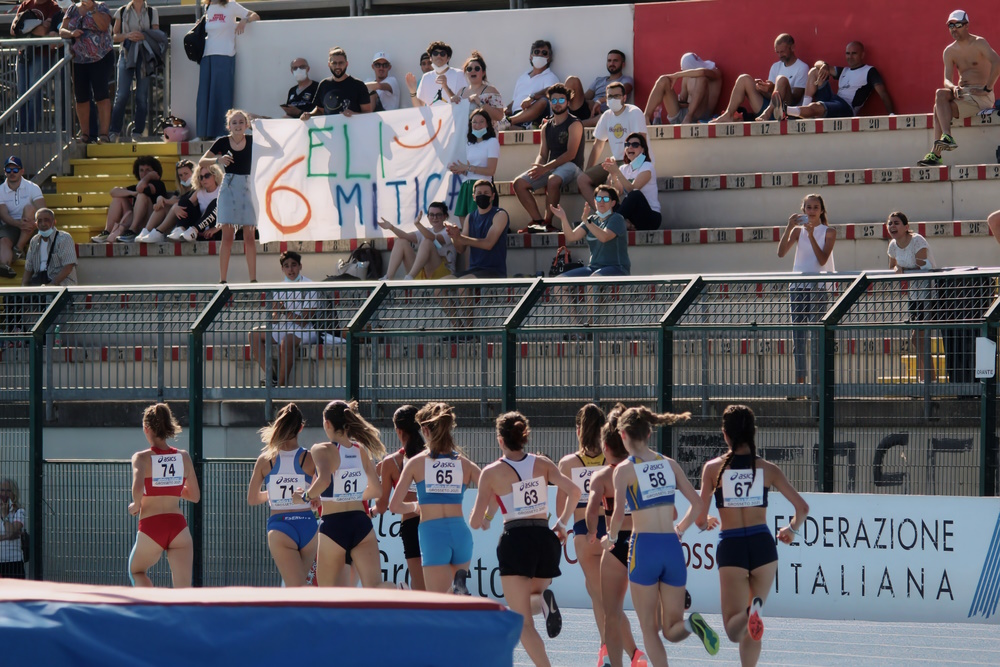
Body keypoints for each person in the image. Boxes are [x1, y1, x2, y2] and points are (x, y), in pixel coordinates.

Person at [604, 407, 720, 666]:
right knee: (672, 628)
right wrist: (679, 529)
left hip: (644, 547)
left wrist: (610, 539)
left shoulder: (623, 470)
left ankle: (688, 627)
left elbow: (618, 514)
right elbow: (699, 505)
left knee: (649, 630)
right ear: (649, 432)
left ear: (622, 435)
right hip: (671, 547)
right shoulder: (669, 465)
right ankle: (691, 624)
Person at [696, 404, 810, 667]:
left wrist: (706, 522)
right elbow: (802, 508)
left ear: (725, 434)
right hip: (763, 547)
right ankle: (753, 612)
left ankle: (750, 612)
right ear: (753, 433)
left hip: (733, 546)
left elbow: (700, 518)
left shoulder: (713, 469)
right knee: (752, 626)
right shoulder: (768, 469)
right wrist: (791, 530)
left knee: (734, 628)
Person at [470, 411, 581, 667]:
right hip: (545, 538)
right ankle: (543, 599)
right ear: (524, 437)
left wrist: (485, 518)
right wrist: (562, 523)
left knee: (521, 621)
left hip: (516, 540)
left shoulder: (491, 472)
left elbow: (476, 521)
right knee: (530, 600)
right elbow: (575, 491)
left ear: (500, 440)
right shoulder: (542, 463)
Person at [390, 402, 480, 594]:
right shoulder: (464, 463)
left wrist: (415, 507)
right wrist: (484, 514)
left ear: (424, 430)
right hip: (461, 532)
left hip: (433, 534)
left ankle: (453, 591)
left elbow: (394, 506)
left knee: (437, 603)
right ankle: (456, 589)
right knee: (453, 602)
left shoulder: (416, 463)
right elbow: (491, 486)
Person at [293, 400, 385, 588]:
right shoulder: (361, 451)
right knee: (376, 588)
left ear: (327, 423)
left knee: (328, 594)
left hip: (334, 526)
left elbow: (324, 481)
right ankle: (399, 596)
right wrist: (351, 496)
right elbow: (377, 491)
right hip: (361, 523)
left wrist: (306, 496)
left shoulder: (322, 448)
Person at [585, 404, 646, 667]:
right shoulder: (642, 469)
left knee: (612, 612)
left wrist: (591, 532)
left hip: (617, 542)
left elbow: (591, 512)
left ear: (606, 447)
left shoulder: (602, 476)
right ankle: (682, 620)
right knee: (652, 613)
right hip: (644, 539)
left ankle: (614, 661)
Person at [555, 404, 610, 662]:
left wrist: (561, 530)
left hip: (582, 530)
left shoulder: (567, 463)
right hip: (609, 528)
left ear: (579, 430)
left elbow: (559, 507)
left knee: (600, 594)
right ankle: (605, 646)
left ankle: (610, 647)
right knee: (596, 590)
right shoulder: (612, 460)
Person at [128, 403, 201, 587]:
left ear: (146, 429)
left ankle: (153, 608)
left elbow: (137, 488)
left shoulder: (142, 457)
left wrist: (135, 505)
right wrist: (171, 487)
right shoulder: (183, 457)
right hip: (178, 527)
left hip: (152, 526)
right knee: (183, 589)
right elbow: (194, 496)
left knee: (136, 571)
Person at [246, 403, 318, 586]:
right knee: (301, 586)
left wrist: (273, 494)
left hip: (281, 527)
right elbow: (321, 491)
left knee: (295, 588)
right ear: (301, 428)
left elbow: (252, 499)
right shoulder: (310, 458)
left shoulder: (265, 460)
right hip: (308, 526)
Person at [918, 11, 1000, 166]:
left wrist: (988, 88)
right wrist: (953, 87)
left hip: (980, 96)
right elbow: (947, 80)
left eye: (957, 24)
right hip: (963, 93)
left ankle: (936, 154)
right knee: (940, 94)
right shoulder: (949, 51)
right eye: (950, 25)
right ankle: (947, 137)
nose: (953, 28)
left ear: (966, 25)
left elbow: (997, 63)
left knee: (938, 108)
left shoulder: (979, 43)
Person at [777, 194, 836, 389]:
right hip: (798, 287)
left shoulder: (829, 231)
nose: (811, 211)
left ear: (821, 210)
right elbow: (781, 252)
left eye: (815, 207)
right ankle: (800, 384)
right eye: (808, 207)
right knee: (799, 337)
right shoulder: (797, 231)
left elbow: (822, 260)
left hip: (819, 287)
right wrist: (789, 227)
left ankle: (817, 384)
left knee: (817, 337)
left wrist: (811, 235)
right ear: (803, 210)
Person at [512, 84, 584, 233]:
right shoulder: (546, 126)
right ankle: (537, 221)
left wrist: (545, 168)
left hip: (572, 166)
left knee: (553, 180)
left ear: (568, 102)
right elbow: (543, 154)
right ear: (550, 102)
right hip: (552, 166)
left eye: (561, 100)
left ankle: (548, 222)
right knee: (519, 183)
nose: (557, 103)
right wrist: (537, 167)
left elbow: (571, 154)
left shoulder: (574, 123)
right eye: (554, 100)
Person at [373, 405, 427, 591]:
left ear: (398, 430)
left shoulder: (391, 462)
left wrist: (370, 511)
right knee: (438, 581)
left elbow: (381, 506)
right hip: (434, 520)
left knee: (418, 582)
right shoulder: (432, 455)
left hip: (410, 523)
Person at [200, 108, 257, 283]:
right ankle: (222, 280)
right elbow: (202, 161)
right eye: (234, 122)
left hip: (249, 187)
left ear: (247, 125)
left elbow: (276, 148)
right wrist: (219, 160)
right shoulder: (222, 142)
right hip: (229, 186)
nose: (238, 125)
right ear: (229, 126)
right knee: (227, 236)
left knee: (249, 236)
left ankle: (253, 280)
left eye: (241, 122)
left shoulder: (254, 140)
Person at [774, 42, 894, 120]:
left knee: (816, 107)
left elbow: (883, 93)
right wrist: (825, 65)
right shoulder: (844, 71)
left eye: (854, 53)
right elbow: (818, 64)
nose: (850, 57)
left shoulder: (869, 71)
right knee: (815, 71)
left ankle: (785, 110)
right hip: (834, 99)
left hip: (846, 107)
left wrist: (891, 114)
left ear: (862, 55)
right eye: (847, 53)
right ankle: (804, 110)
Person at [248, 251, 318, 387]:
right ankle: (271, 377)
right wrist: (276, 312)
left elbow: (304, 322)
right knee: (254, 334)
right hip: (284, 328)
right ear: (282, 269)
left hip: (305, 331)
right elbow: (275, 320)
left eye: (293, 265)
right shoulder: (278, 287)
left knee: (286, 341)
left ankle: (280, 386)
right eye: (286, 266)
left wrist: (284, 311)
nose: (290, 269)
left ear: (300, 266)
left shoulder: (310, 286)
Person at [886, 211, 937, 385]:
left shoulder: (917, 240)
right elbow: (892, 266)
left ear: (906, 227)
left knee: (919, 336)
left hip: (929, 291)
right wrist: (896, 269)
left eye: (897, 223)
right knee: (918, 337)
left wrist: (902, 269)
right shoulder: (892, 245)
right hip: (914, 294)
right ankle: (927, 379)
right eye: (890, 223)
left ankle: (928, 379)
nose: (892, 226)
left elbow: (921, 263)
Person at [196, 0, 259, 140]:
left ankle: (221, 133)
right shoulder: (207, 7)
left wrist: (244, 20)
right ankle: (203, 134)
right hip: (207, 56)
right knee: (204, 97)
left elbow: (255, 15)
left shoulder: (231, 5)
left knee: (222, 94)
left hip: (225, 54)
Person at [711, 33, 808, 123]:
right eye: (777, 52)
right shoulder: (775, 66)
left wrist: (774, 88)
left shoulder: (802, 67)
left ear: (792, 48)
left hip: (787, 111)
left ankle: (768, 112)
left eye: (782, 52)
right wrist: (762, 89)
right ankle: (728, 114)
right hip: (768, 110)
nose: (779, 55)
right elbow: (772, 97)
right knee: (743, 78)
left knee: (782, 79)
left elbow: (795, 99)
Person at [578, 82, 647, 206]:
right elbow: (598, 145)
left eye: (617, 96)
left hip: (633, 161)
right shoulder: (606, 116)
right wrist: (588, 171)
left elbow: (642, 145)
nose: (613, 99)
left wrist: (625, 170)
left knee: (611, 181)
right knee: (582, 179)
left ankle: (614, 218)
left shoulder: (634, 112)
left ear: (624, 98)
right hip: (615, 161)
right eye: (610, 97)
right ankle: (602, 214)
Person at [59, 0, 113, 143]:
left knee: (101, 95)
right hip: (78, 60)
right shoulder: (72, 9)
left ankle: (104, 134)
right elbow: (61, 30)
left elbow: (104, 26)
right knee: (81, 97)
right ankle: (85, 134)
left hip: (100, 57)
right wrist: (71, 33)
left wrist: (93, 10)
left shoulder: (101, 6)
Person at [549, 185, 630, 277]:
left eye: (606, 199)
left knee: (593, 279)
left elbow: (604, 237)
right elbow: (571, 237)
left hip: (617, 268)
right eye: (598, 198)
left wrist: (586, 221)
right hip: (593, 268)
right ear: (595, 201)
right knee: (559, 280)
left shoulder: (616, 218)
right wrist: (563, 218)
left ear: (613, 203)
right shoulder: (591, 219)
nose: (601, 202)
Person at [108, 0, 159, 143]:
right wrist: (127, 36)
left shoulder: (152, 12)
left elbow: (157, 34)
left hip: (144, 56)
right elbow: (114, 35)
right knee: (122, 94)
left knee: (142, 96)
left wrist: (144, 36)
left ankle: (138, 133)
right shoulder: (122, 11)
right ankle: (114, 132)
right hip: (126, 54)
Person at [11, 0, 61, 132]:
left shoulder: (53, 6)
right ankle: (20, 130)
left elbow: (44, 31)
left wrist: (25, 26)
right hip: (23, 53)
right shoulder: (25, 4)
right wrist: (38, 24)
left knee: (34, 92)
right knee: (21, 94)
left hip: (41, 54)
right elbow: (13, 30)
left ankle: (31, 130)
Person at [93, 155, 167, 243]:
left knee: (141, 196)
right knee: (118, 198)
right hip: (137, 220)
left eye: (148, 170)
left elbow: (140, 189)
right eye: (141, 170)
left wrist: (149, 177)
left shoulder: (159, 184)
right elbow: (113, 192)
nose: (144, 173)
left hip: (150, 224)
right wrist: (132, 193)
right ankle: (107, 231)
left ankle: (133, 230)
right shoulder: (137, 186)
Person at [142, 163, 221, 243]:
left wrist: (216, 228)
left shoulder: (223, 191)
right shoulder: (199, 192)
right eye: (200, 177)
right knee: (183, 201)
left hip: (216, 229)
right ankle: (180, 229)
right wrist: (175, 207)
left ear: (215, 175)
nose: (203, 179)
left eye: (207, 176)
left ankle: (193, 230)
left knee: (216, 203)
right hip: (200, 229)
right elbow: (185, 204)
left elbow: (233, 215)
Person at [377, 202, 457, 281]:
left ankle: (410, 277)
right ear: (428, 217)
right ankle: (388, 277)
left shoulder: (449, 231)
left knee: (427, 242)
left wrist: (418, 224)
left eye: (438, 215)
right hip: (423, 273)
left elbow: (433, 238)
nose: (435, 218)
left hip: (444, 275)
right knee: (401, 241)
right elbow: (405, 236)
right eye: (431, 215)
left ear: (444, 216)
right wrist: (391, 227)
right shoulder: (426, 231)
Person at [446, 179, 509, 279]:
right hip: (474, 269)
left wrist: (461, 238)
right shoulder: (469, 217)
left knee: (463, 284)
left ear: (492, 196)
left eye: (486, 193)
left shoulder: (500, 214)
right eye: (479, 193)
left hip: (494, 271)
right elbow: (461, 249)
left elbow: (488, 244)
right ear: (474, 197)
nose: (482, 195)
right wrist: (454, 237)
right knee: (441, 284)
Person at [449, 108, 500, 225]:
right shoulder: (469, 144)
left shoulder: (492, 142)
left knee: (476, 221)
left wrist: (467, 168)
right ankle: (468, 243)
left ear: (487, 124)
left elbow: (491, 170)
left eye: (481, 121)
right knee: (463, 219)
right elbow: (470, 169)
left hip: (481, 187)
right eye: (474, 122)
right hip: (466, 185)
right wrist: (461, 170)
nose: (477, 125)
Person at [603, 133, 661, 231]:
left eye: (635, 145)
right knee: (609, 200)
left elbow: (632, 189)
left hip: (650, 217)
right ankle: (624, 224)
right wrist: (613, 174)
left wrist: (617, 171)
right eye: (627, 145)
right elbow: (618, 192)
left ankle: (609, 223)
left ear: (643, 149)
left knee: (635, 194)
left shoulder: (647, 166)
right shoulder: (623, 168)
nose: (630, 147)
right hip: (632, 215)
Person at [644, 53, 722, 125]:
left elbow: (702, 72)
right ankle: (645, 117)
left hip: (699, 116)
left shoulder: (714, 72)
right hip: (682, 115)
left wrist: (677, 75)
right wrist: (676, 101)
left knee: (701, 78)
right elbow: (683, 100)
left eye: (686, 70)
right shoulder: (686, 77)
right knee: (663, 80)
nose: (684, 72)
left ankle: (689, 116)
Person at [0, 155, 46, 279]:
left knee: (30, 209)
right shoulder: (0, 190)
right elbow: (3, 215)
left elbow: (43, 209)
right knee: (3, 241)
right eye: (8, 170)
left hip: (32, 224)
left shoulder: (33, 187)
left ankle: (19, 248)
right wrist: (19, 223)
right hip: (11, 225)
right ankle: (5, 266)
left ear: (22, 171)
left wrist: (32, 222)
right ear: (5, 172)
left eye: (15, 170)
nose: (12, 173)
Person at [566, 49, 634, 127]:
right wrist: (591, 103)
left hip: (604, 113)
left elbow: (622, 91)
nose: (611, 63)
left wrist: (599, 101)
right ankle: (562, 115)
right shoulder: (599, 80)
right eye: (609, 60)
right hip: (588, 110)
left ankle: (572, 126)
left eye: (615, 61)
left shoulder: (626, 80)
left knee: (604, 117)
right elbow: (586, 97)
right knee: (572, 80)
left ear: (623, 64)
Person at [301, 47, 373, 118]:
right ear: (329, 65)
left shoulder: (358, 85)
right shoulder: (323, 84)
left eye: (341, 63)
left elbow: (368, 113)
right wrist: (309, 115)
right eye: (334, 63)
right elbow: (319, 110)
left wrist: (354, 114)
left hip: (352, 129)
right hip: (330, 129)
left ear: (347, 64)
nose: (337, 66)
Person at [136, 159, 196, 242]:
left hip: (190, 221)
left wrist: (165, 200)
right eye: (180, 175)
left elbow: (188, 202)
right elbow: (171, 200)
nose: (183, 177)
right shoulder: (180, 191)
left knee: (174, 205)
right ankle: (146, 231)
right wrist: (160, 199)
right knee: (163, 206)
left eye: (186, 174)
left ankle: (158, 232)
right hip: (177, 220)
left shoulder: (197, 189)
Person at [505, 40, 561, 128]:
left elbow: (551, 91)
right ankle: (514, 124)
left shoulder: (550, 77)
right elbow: (515, 100)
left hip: (535, 116)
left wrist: (532, 97)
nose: (540, 55)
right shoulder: (522, 77)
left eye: (544, 53)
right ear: (531, 56)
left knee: (543, 101)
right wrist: (505, 109)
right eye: (537, 52)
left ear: (549, 58)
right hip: (516, 114)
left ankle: (511, 122)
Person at [21, 208, 77, 286]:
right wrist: (24, 288)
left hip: (61, 286)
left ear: (54, 222)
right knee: (10, 298)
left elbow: (68, 267)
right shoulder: (34, 240)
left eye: (46, 220)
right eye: (39, 221)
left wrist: (52, 285)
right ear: (36, 224)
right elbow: (28, 268)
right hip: (39, 284)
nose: (43, 224)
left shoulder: (64, 238)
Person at [406, 40, 465, 108]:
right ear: (431, 58)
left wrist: (446, 87)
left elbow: (463, 103)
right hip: (434, 118)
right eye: (435, 53)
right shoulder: (426, 77)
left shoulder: (459, 74)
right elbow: (419, 107)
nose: (439, 56)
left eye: (442, 54)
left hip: (453, 118)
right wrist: (412, 90)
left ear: (448, 58)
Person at [452, 52, 505, 124]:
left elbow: (499, 116)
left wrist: (480, 102)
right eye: (469, 69)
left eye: (477, 68)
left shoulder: (491, 90)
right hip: (464, 133)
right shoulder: (461, 91)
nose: (473, 71)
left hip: (485, 134)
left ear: (483, 72)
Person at [0, 479, 26, 579]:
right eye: (1, 490)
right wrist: (8, 536)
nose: (4, 494)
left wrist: (5, 515)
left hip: (14, 562)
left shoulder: (19, 512)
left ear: (13, 493)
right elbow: (11, 534)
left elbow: (10, 532)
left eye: (8, 491)